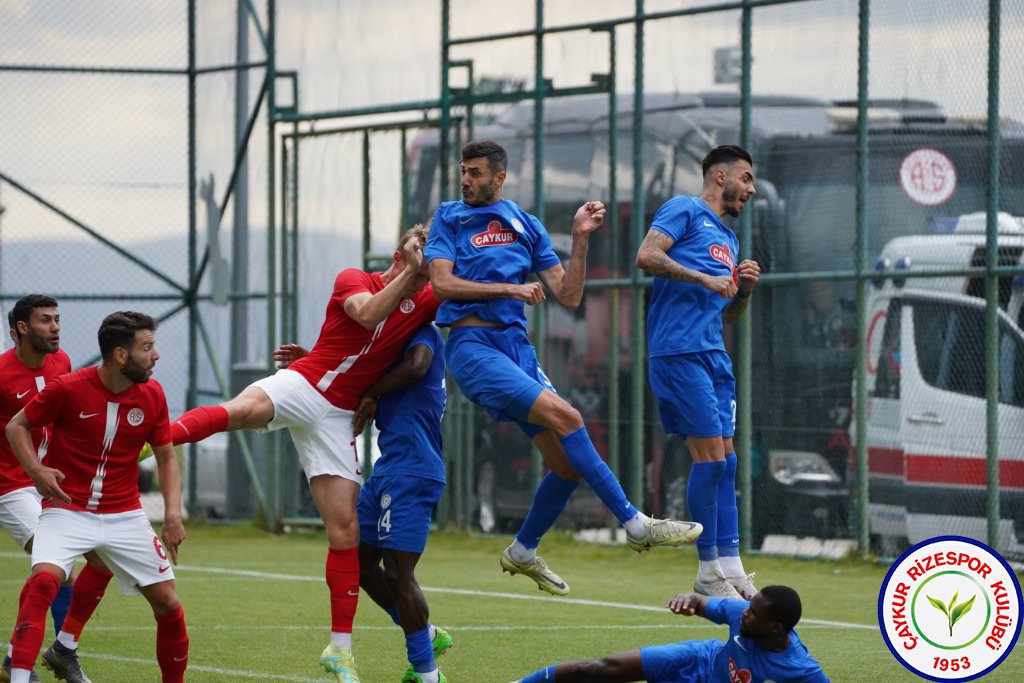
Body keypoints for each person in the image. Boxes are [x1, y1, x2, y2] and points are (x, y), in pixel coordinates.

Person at [425, 140, 702, 597]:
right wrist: (509, 291)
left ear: (499, 178)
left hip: (518, 351)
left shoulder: (524, 224)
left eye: (475, 173)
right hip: (474, 348)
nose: (466, 180)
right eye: (464, 171)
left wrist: (579, 237)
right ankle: (635, 522)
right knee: (571, 418)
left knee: (566, 465)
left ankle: (522, 551)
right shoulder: (449, 217)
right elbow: (441, 283)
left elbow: (569, 295)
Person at [171, 225, 439, 683]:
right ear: (398, 256)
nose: (421, 277)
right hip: (305, 383)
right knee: (240, 411)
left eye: (426, 268)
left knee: (345, 532)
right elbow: (367, 316)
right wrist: (411, 271)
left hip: (339, 416)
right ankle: (150, 438)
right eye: (415, 260)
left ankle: (339, 650)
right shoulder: (355, 277)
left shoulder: (428, 296)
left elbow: (468, 285)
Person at [4, 311, 188, 683]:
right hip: (66, 510)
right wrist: (37, 472)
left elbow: (167, 456)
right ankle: (20, 674)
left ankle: (66, 648)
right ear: (121, 355)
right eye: (147, 347)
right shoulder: (68, 387)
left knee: (169, 605)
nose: (156, 356)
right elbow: (16, 425)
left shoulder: (152, 394)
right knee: (44, 582)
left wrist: (172, 515)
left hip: (126, 515)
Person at [635, 145, 761, 600]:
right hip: (679, 352)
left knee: (726, 461)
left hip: (713, 355)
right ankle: (707, 570)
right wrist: (703, 278)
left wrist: (742, 290)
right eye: (745, 178)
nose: (751, 188)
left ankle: (732, 564)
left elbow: (730, 316)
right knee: (709, 459)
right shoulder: (683, 209)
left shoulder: (730, 240)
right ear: (720, 176)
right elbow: (647, 256)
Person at [0, 296, 114, 683]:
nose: (55, 327)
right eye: (45, 320)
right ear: (21, 329)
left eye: (57, 319)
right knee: (56, 568)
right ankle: (26, 661)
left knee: (95, 562)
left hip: (53, 481)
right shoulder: (1, 373)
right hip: (11, 485)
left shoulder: (61, 361)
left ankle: (50, 650)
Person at [353, 323, 451, 683]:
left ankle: (428, 674)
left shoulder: (422, 333)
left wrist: (373, 392)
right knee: (358, 563)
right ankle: (427, 636)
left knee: (398, 573)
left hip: (414, 470)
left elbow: (418, 365)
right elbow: (355, 369)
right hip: (388, 469)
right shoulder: (390, 341)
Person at [512, 585, 830, 683]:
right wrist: (688, 601)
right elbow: (700, 601)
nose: (744, 611)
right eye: (748, 606)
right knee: (601, 668)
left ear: (775, 627)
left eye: (754, 612)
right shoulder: (740, 613)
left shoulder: (802, 669)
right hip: (696, 659)